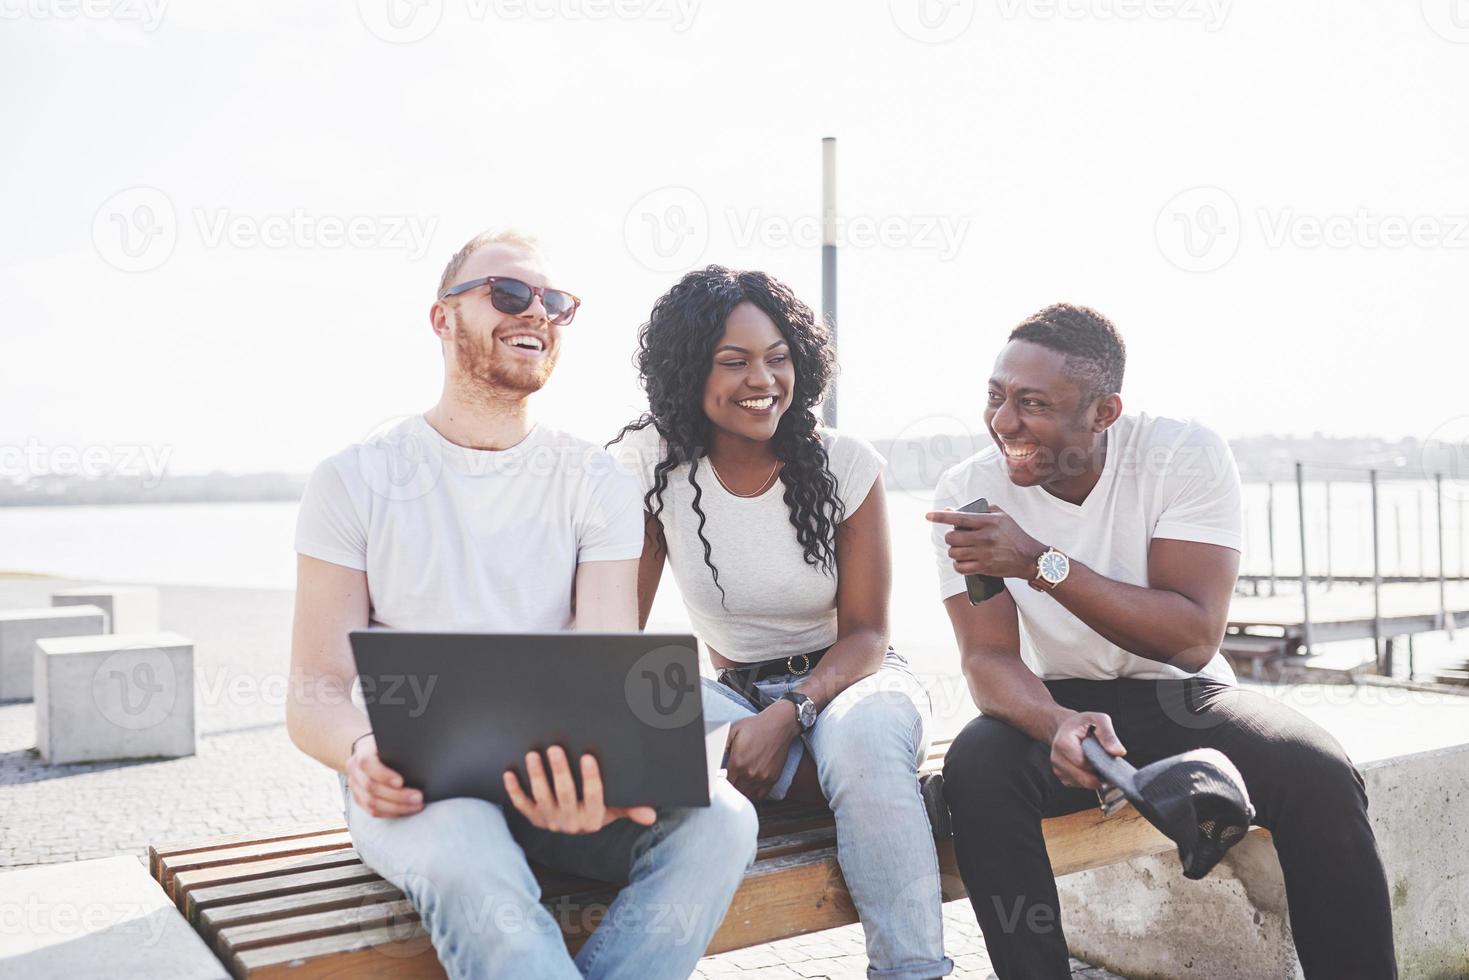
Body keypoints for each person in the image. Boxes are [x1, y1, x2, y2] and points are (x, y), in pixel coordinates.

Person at [286, 229, 759, 980]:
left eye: (554, 302)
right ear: (441, 318)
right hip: (417, 787)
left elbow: (605, 675)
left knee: (724, 824)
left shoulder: (595, 482)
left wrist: (604, 777)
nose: (534, 312)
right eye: (507, 294)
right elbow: (314, 690)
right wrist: (358, 750)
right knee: (474, 868)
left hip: (560, 781)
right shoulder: (354, 479)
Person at [928, 303, 1396, 979]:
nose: (1003, 423)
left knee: (1315, 771)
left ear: (1103, 412)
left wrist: (1037, 562)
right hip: (1062, 700)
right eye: (995, 397)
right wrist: (1056, 723)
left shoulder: (1181, 453)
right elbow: (987, 659)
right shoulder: (967, 493)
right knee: (976, 767)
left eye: (1030, 404)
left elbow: (1189, 638)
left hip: (1183, 696)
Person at [611, 265, 954, 980]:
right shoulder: (651, 463)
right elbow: (619, 634)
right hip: (731, 695)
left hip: (848, 681)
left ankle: (912, 971)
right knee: (647, 718)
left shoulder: (845, 463)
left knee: (860, 741)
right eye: (731, 361)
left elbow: (866, 632)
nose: (760, 378)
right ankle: (865, 793)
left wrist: (791, 714)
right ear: (685, 370)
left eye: (776, 357)